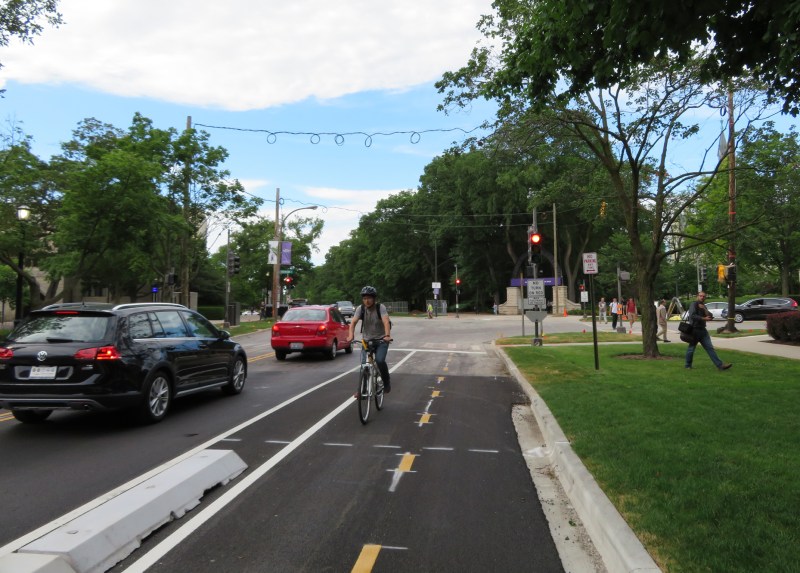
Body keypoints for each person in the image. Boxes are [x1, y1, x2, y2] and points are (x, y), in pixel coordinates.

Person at [346, 286, 393, 392]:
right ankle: (362, 390)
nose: (366, 301)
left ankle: (386, 382)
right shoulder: (360, 308)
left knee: (380, 361)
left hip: (381, 340)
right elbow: (353, 322)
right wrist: (351, 335)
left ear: (374, 298)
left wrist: (387, 335)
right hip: (366, 341)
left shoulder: (380, 307)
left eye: (369, 298)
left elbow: (386, 321)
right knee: (364, 366)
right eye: (364, 298)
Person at [685, 291, 732, 370]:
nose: (702, 297)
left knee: (710, 348)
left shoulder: (703, 306)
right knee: (691, 348)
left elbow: (710, 315)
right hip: (694, 330)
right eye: (700, 296)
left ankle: (720, 366)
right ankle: (687, 366)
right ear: (697, 296)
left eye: (704, 296)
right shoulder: (694, 304)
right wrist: (704, 318)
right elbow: (692, 315)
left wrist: (704, 309)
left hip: (703, 331)